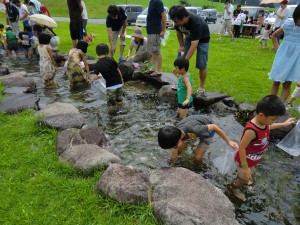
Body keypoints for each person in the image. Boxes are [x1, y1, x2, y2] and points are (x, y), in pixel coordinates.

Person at [230, 95, 295, 201]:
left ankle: (246, 178)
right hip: (244, 159)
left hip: (253, 157)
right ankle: (233, 188)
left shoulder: (263, 123)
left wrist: (283, 124)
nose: (274, 122)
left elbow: (268, 127)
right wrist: (245, 167)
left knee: (248, 175)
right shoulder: (251, 130)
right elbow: (241, 148)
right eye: (273, 119)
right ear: (261, 115)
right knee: (243, 178)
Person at [158, 115, 237, 164]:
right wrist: (172, 163)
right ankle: (190, 141)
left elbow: (214, 127)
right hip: (191, 131)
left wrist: (229, 141)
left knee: (197, 158)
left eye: (173, 146)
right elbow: (174, 154)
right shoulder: (174, 131)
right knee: (178, 151)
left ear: (178, 141)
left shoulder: (194, 129)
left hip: (208, 130)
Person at [169, 5, 210, 94]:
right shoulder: (177, 22)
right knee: (179, 59)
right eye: (174, 21)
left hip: (203, 39)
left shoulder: (196, 23)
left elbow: (193, 46)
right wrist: (181, 46)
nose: (175, 24)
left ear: (184, 17)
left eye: (176, 21)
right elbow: (179, 34)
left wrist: (185, 61)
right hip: (189, 37)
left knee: (201, 64)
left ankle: (201, 87)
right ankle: (179, 82)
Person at [269, 4, 300, 103]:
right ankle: (271, 103)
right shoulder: (289, 24)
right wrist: (278, 49)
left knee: (287, 83)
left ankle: (280, 106)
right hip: (282, 57)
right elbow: (274, 36)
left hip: (295, 59)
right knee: (276, 81)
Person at [93, 43, 124, 111]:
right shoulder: (111, 59)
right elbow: (118, 71)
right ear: (107, 51)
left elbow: (94, 77)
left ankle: (112, 118)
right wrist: (121, 81)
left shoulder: (98, 64)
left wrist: (99, 76)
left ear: (97, 52)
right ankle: (121, 111)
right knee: (119, 100)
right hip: (119, 83)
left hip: (110, 86)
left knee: (111, 104)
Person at [145, 0, 166, 77]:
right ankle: (151, 68)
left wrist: (163, 30)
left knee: (157, 52)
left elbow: (164, 16)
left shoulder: (158, 2)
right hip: (150, 31)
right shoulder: (151, 2)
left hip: (155, 31)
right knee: (151, 52)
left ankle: (159, 70)